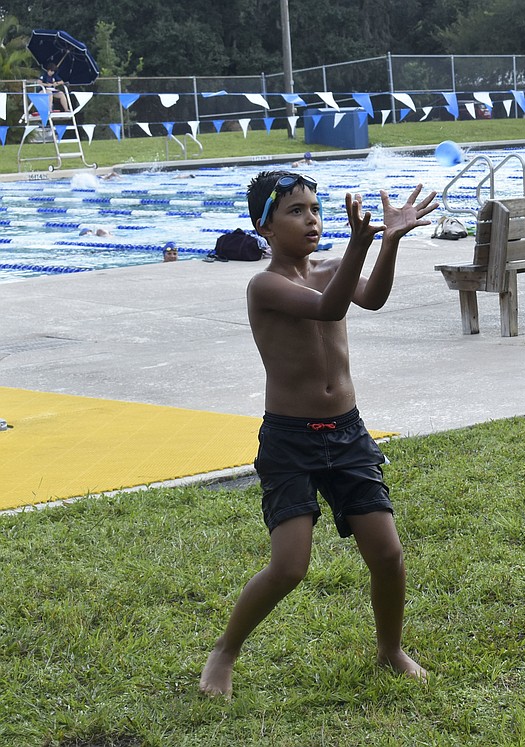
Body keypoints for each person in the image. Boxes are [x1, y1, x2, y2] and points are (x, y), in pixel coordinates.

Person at [199, 171, 438, 698]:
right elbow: (330, 307)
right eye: (295, 211)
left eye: (315, 208)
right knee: (289, 566)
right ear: (265, 227)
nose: (311, 219)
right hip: (291, 439)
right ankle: (224, 652)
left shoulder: (331, 268)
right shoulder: (264, 286)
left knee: (388, 555)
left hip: (347, 433)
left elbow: (372, 297)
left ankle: (390, 650)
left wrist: (388, 242)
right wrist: (360, 243)